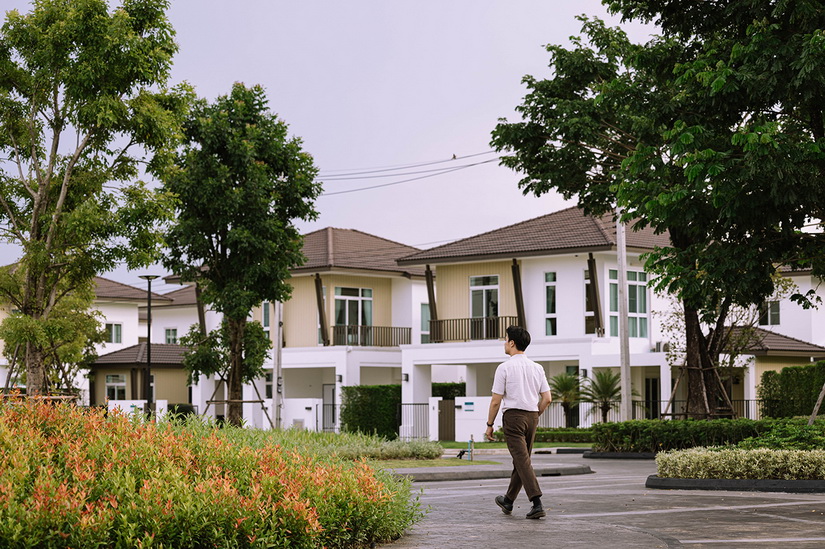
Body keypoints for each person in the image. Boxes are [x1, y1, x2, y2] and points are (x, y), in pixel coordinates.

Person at [485, 325, 552, 519]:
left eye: (506, 339)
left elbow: (496, 400)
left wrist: (490, 425)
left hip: (513, 417)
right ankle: (508, 500)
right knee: (522, 460)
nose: (504, 343)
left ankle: (537, 502)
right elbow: (547, 398)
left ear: (512, 343)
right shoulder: (537, 368)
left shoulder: (504, 367)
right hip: (532, 416)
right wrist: (535, 414)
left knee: (522, 460)